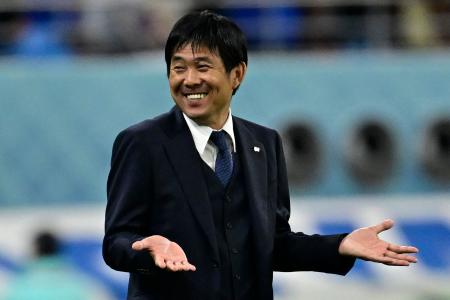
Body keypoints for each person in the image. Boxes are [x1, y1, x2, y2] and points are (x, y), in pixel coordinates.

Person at [103, 10, 418, 300]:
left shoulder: (264, 143)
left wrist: (339, 245)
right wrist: (147, 250)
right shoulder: (142, 143)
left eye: (202, 67)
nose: (189, 80)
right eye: (178, 67)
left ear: (237, 74)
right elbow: (116, 242)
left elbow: (276, 243)